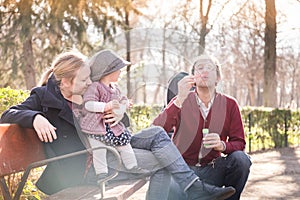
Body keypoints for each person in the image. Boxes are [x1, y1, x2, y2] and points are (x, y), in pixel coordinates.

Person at [0, 49, 236, 200]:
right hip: (87, 168)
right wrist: (35, 117)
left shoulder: (90, 93)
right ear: (65, 83)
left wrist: (118, 113)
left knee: (157, 136)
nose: (88, 83)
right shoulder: (44, 97)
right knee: (165, 162)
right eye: (83, 80)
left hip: (111, 150)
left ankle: (195, 188)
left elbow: (122, 123)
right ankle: (196, 188)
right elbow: (8, 114)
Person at [153, 54, 252, 200]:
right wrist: (180, 98)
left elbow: (240, 143)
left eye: (209, 68)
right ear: (193, 77)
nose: (204, 71)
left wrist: (222, 145)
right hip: (183, 171)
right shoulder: (181, 101)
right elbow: (156, 129)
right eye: (199, 68)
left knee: (241, 159)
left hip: (213, 169)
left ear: (218, 78)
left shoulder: (230, 104)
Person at [80, 49, 138, 180]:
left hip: (112, 126)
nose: (120, 72)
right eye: (118, 70)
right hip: (95, 127)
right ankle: (102, 175)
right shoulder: (95, 87)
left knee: (125, 144)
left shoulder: (115, 88)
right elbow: (88, 104)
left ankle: (133, 167)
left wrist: (125, 105)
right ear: (108, 72)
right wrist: (105, 106)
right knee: (99, 150)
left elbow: (121, 100)